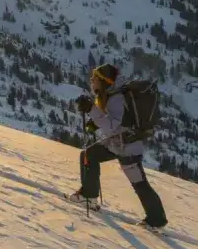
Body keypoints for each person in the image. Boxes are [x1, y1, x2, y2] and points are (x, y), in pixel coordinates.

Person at [64, 64, 168, 229]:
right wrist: (95, 123)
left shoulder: (117, 98)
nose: (91, 80)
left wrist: (92, 110)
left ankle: (157, 220)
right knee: (88, 155)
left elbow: (111, 126)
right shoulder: (112, 94)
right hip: (117, 143)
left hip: (128, 148)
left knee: (140, 184)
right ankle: (88, 195)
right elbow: (116, 121)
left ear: (103, 80)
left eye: (94, 78)